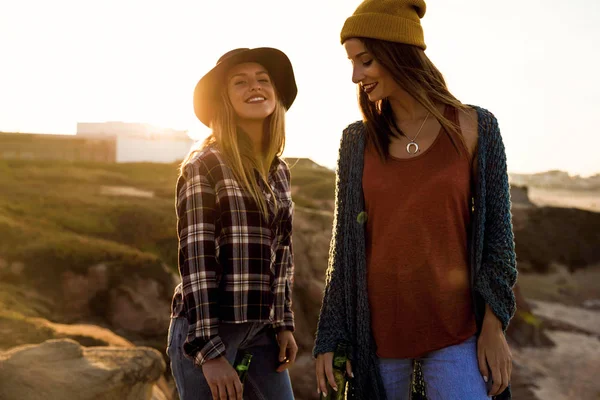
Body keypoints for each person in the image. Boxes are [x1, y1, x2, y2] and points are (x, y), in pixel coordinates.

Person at [313, 1, 517, 399]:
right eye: (352, 63)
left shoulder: (476, 127)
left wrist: (494, 327)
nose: (356, 76)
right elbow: (345, 249)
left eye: (366, 61)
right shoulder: (357, 141)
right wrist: (330, 334)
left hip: (455, 333)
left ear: (398, 52)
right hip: (375, 338)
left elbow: (499, 238)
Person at [166, 47, 299, 400]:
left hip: (263, 331)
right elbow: (196, 263)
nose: (254, 87)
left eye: (262, 79)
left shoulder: (279, 171)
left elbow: (282, 255)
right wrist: (209, 351)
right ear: (223, 100)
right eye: (239, 82)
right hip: (210, 331)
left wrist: (283, 323)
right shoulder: (205, 165)